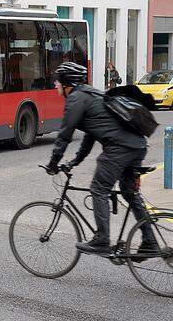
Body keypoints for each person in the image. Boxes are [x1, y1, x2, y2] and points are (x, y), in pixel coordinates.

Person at [45, 62, 157, 256]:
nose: (55, 85)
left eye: (57, 82)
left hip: (119, 148)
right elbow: (90, 135)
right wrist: (75, 161)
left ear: (66, 83)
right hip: (137, 146)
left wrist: (53, 163)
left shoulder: (76, 99)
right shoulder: (92, 94)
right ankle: (150, 242)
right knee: (130, 193)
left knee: (99, 188)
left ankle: (102, 240)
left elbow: (64, 135)